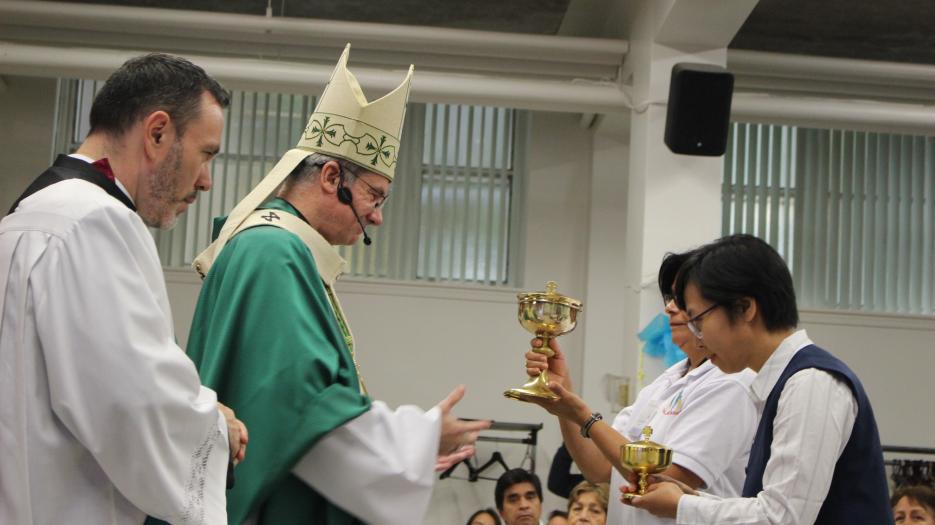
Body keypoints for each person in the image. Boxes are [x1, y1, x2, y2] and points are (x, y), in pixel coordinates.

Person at [183, 44, 489, 524]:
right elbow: (298, 403)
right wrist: (418, 437)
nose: (379, 216)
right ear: (331, 177)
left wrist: (398, 461)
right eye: (374, 194)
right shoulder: (273, 251)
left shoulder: (279, 248)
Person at [0, 53, 247, 524]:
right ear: (157, 133)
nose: (206, 181)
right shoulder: (95, 220)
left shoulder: (28, 213)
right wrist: (217, 427)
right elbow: (131, 401)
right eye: (206, 153)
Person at [628, 234, 892, 524]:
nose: (697, 336)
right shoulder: (778, 383)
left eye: (698, 320)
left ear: (745, 308)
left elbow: (781, 518)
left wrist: (683, 506)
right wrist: (689, 499)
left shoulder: (810, 383)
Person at [524, 251, 757, 525]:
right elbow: (600, 469)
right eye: (669, 299)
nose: (669, 309)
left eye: (682, 301)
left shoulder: (731, 382)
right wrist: (564, 400)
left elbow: (667, 477)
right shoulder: (665, 382)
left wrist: (584, 415)